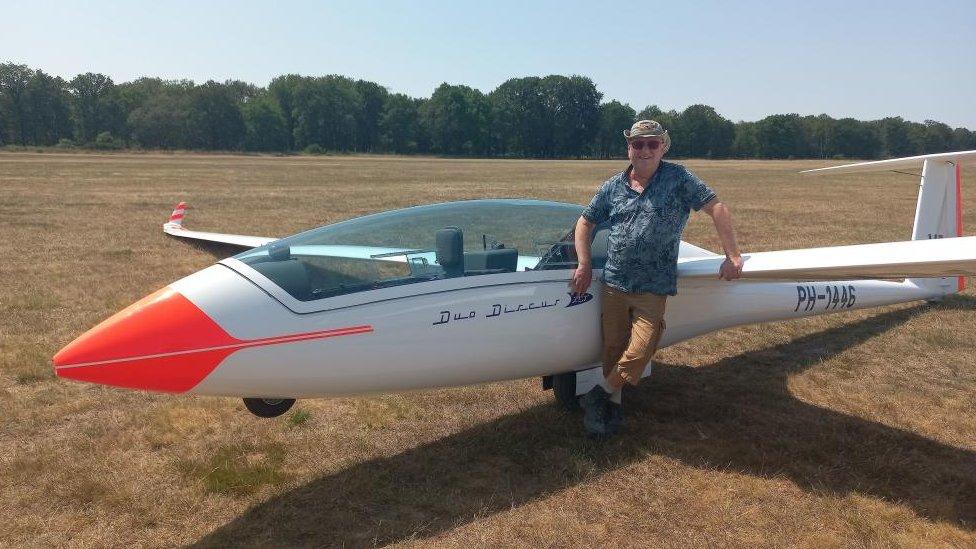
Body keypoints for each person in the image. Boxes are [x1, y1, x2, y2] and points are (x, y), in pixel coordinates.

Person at [570, 120, 743, 437]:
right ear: (629, 148)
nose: (645, 150)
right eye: (638, 144)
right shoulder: (613, 186)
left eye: (652, 144)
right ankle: (610, 409)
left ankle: (596, 395)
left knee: (640, 349)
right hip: (614, 283)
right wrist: (583, 263)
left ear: (663, 146)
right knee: (613, 349)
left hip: (653, 286)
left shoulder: (678, 178)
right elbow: (584, 223)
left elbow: (716, 207)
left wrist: (732, 255)